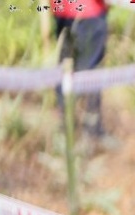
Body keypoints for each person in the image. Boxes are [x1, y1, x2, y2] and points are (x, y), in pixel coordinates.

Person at [49, 0, 109, 141]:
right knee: (90, 72)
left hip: (63, 10)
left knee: (65, 69)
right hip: (89, 12)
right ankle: (90, 131)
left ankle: (67, 127)